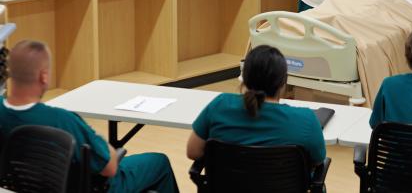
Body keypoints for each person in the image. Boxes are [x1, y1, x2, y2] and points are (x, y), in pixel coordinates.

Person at [0, 40, 179, 193]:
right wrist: (99, 140)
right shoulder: (62, 120)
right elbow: (109, 168)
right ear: (43, 76)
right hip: (89, 187)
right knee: (158, 162)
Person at [187, 44, 326, 165]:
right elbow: (318, 160)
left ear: (244, 79)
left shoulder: (220, 105)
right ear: (283, 83)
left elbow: (193, 152)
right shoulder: (306, 120)